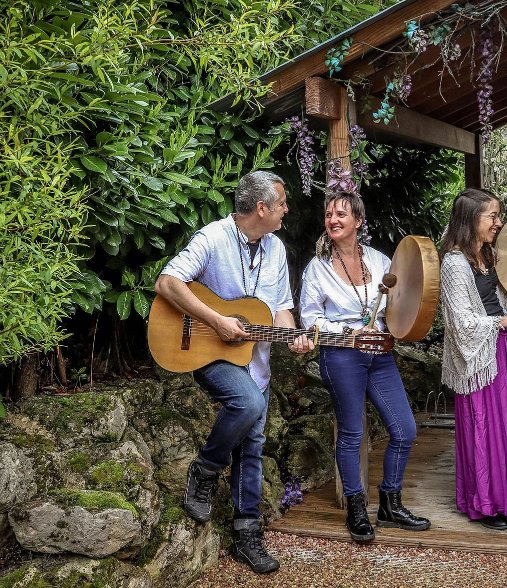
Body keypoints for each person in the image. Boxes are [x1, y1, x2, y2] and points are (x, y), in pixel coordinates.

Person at [155, 171, 314, 574]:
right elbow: (168, 282)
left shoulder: (276, 248)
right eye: (281, 203)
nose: (286, 210)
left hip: (254, 362)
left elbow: (279, 307)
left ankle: (247, 534)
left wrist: (293, 335)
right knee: (247, 404)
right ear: (261, 208)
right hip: (205, 352)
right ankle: (206, 468)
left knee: (252, 445)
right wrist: (218, 320)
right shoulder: (212, 238)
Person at [299, 191, 430, 543]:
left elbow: (400, 302)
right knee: (352, 433)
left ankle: (391, 503)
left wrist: (399, 325)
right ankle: (357, 507)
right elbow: (310, 318)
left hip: (380, 356)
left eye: (341, 213)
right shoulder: (317, 267)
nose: (333, 219)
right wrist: (347, 332)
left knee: (404, 429)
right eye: (328, 214)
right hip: (341, 356)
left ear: (358, 221)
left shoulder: (380, 259)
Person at [439, 188, 507, 530]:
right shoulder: (454, 263)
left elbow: (494, 301)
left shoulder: (486, 257)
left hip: (502, 351)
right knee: (486, 428)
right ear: (470, 220)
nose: (499, 223)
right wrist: (503, 322)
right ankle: (488, 504)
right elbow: (460, 321)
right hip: (478, 359)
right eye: (492, 216)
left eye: (498, 215)